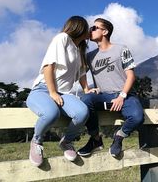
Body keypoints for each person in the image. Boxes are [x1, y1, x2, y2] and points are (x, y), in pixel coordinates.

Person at [26, 16, 96, 167]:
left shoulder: (79, 50)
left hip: (63, 93)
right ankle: (36, 141)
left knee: (82, 112)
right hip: (43, 89)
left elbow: (82, 74)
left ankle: (66, 141)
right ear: (79, 27)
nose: (90, 30)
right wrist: (52, 92)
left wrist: (87, 90)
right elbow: (48, 66)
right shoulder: (62, 38)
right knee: (51, 114)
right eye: (88, 27)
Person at [77, 17, 144, 158]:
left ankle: (119, 136)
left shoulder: (122, 49)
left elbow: (131, 76)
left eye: (94, 28)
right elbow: (81, 73)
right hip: (103, 96)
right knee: (85, 100)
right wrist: (86, 90)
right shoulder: (89, 56)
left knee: (137, 117)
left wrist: (122, 96)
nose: (91, 30)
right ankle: (95, 139)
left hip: (124, 95)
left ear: (105, 31)